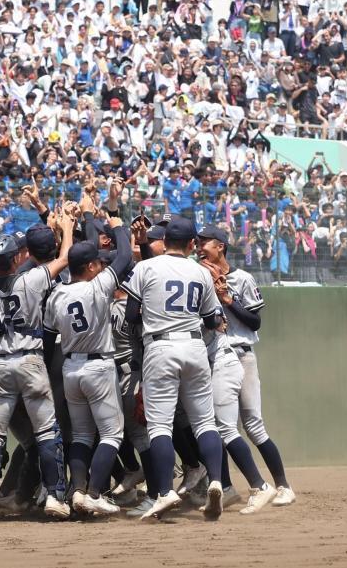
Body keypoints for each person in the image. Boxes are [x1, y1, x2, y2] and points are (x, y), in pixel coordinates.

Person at [0, 207, 76, 523]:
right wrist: (67, 229)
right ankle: (55, 497)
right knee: (46, 432)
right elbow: (65, 258)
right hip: (31, 361)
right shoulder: (31, 281)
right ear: (17, 258)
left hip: (1, 364)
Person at [122, 217, 226, 521]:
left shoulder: (144, 268)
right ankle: (216, 481)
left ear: (164, 241)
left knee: (159, 426)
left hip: (160, 346)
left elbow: (131, 314)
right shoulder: (200, 271)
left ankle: (165, 492)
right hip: (194, 345)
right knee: (205, 422)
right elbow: (211, 320)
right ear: (192, 245)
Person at [197, 225, 296, 508]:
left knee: (253, 424)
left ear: (220, 247)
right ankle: (228, 488)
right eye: (198, 242)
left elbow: (255, 322)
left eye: (205, 242)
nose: (199, 247)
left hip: (242, 353)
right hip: (214, 356)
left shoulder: (242, 278)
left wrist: (227, 298)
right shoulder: (199, 278)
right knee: (219, 427)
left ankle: (282, 486)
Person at [42, 216, 132, 515]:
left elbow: (50, 330)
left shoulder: (57, 293)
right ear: (91, 266)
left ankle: (78, 491)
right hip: (98, 365)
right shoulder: (98, 286)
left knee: (81, 435)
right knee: (111, 434)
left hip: (70, 368)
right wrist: (119, 226)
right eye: (97, 263)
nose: (102, 266)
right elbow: (124, 257)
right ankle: (93, 492)